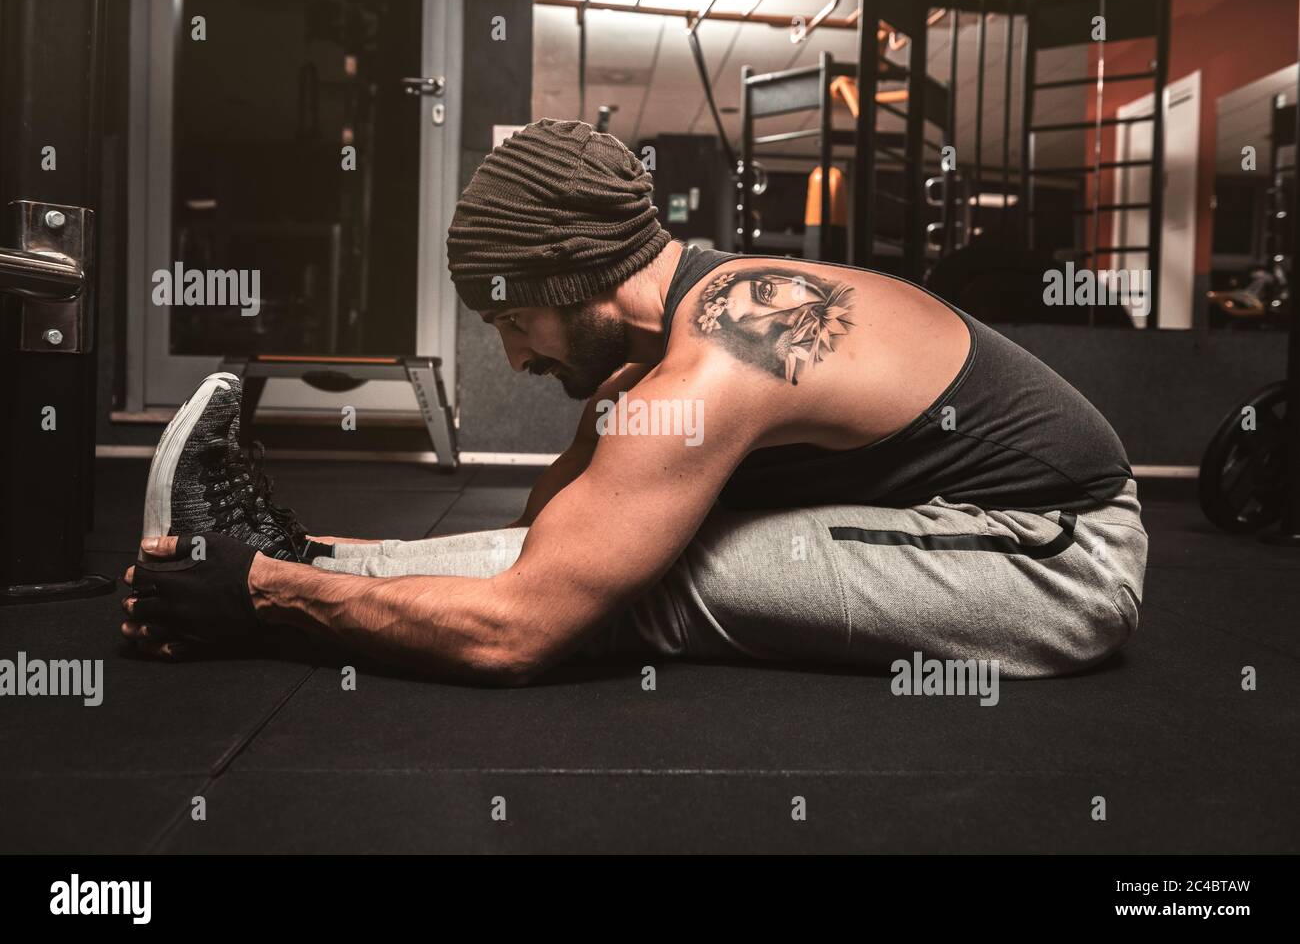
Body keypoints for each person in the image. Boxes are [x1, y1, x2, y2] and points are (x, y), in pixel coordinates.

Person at [121, 118, 1148, 686]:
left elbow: (519, 628)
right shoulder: (673, 338)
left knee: (656, 584)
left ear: (575, 281)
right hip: (949, 519)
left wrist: (263, 598)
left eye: (510, 317)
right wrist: (309, 562)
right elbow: (548, 538)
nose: (512, 353)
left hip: (1052, 556)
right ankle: (280, 546)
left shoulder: (718, 367)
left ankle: (262, 576)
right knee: (597, 557)